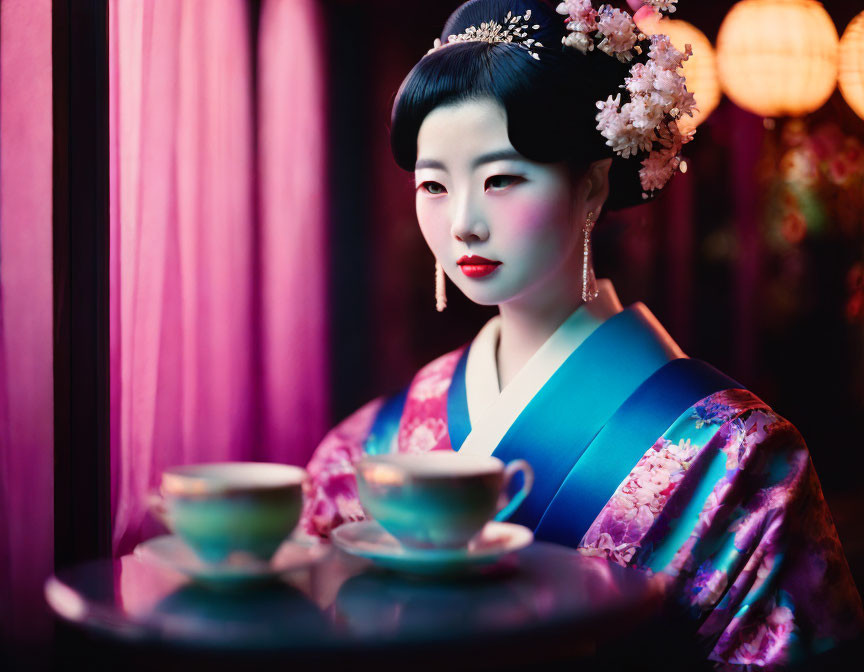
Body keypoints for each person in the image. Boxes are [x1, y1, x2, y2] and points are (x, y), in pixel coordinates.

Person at [299, 1, 864, 668]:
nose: (463, 224)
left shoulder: (738, 460)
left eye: (501, 178)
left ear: (594, 185)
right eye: (434, 185)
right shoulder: (367, 447)